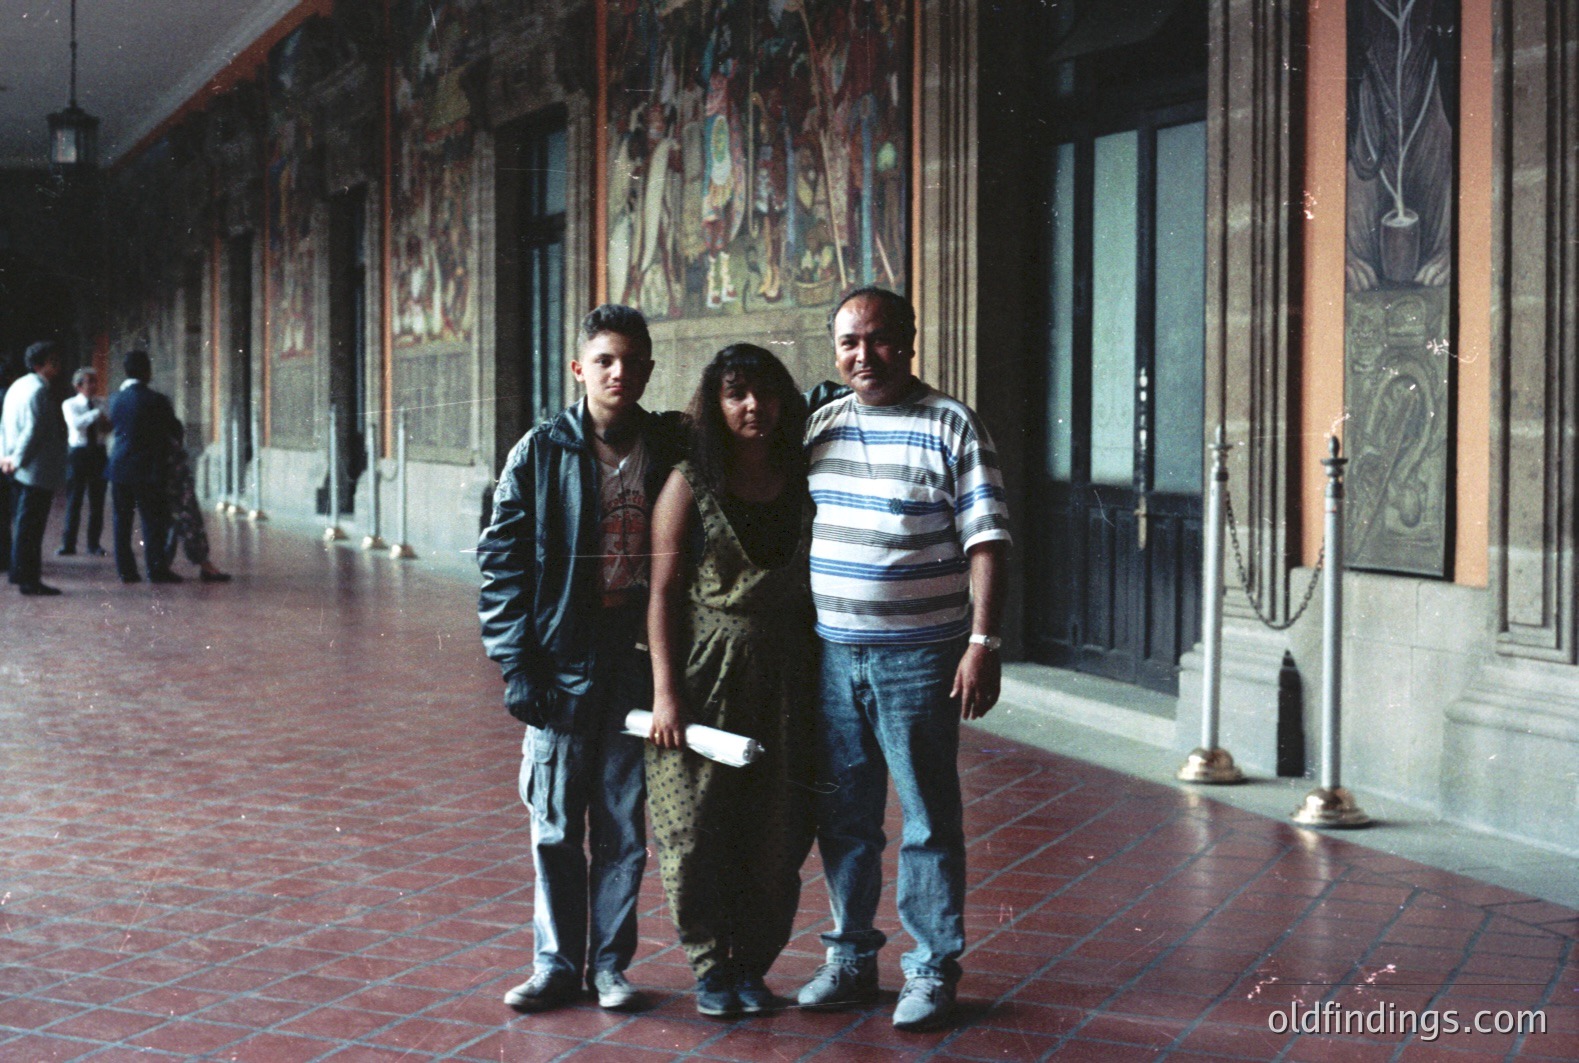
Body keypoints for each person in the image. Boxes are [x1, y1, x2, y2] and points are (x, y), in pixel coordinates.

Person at [795, 287, 1012, 1031]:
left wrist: (981, 643)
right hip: (832, 653)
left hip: (919, 657)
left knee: (925, 816)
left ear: (910, 341)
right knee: (844, 815)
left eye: (881, 339)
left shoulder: (951, 423)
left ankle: (929, 968)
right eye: (850, 342)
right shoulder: (818, 425)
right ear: (835, 351)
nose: (865, 355)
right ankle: (851, 957)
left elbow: (986, 540)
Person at [478, 304, 686, 1014]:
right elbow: (500, 566)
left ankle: (609, 966)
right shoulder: (538, 452)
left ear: (649, 370)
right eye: (604, 360)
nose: (618, 372)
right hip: (560, 659)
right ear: (579, 368)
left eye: (631, 361)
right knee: (557, 823)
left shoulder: (669, 446)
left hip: (634, 660)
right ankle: (555, 962)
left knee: (624, 825)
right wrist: (515, 665)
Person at [644, 345, 815, 1018]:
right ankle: (710, 964)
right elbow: (659, 593)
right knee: (696, 827)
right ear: (713, 405)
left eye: (764, 392)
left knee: (779, 829)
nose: (752, 407)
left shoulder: (802, 476)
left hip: (791, 673)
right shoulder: (690, 480)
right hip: (706, 671)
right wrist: (664, 691)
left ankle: (752, 964)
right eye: (736, 393)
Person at [106, 350, 181, 585]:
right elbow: (175, 430)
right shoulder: (157, 400)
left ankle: (126, 571)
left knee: (122, 521)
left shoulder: (114, 399)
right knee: (152, 521)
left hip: (119, 468)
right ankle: (156, 569)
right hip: (149, 470)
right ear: (147, 371)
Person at [1, 341, 69, 595]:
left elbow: (4, 425)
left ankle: (19, 574)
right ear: (39, 365)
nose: (58, 366)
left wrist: (5, 457)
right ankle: (30, 581)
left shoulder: (17, 386)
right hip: (34, 470)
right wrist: (17, 459)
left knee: (23, 524)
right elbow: (33, 431)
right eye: (53, 361)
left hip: (18, 468)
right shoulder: (39, 390)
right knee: (32, 527)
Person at [165, 420, 232, 582]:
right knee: (186, 524)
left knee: (174, 526)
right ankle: (203, 564)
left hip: (170, 485)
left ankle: (164, 565)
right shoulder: (168, 443)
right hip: (175, 487)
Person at [59, 367, 108, 557]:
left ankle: (93, 544)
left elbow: (107, 427)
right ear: (78, 386)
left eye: (96, 381)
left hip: (98, 452)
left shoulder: (102, 402)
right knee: (74, 500)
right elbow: (76, 424)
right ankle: (68, 544)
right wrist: (96, 414)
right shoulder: (69, 404)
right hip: (78, 454)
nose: (95, 385)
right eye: (90, 381)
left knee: (97, 501)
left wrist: (101, 418)